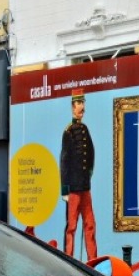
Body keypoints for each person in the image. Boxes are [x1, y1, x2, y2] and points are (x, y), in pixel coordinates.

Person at [60, 91, 98, 260]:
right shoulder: (68, 132)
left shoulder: (85, 129)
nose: (82, 106)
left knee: (90, 225)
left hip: (85, 187)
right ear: (72, 107)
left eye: (83, 102)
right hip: (73, 189)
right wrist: (65, 191)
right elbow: (64, 162)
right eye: (79, 103)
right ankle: (69, 260)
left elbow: (91, 154)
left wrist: (88, 175)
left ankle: (93, 261)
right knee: (72, 227)